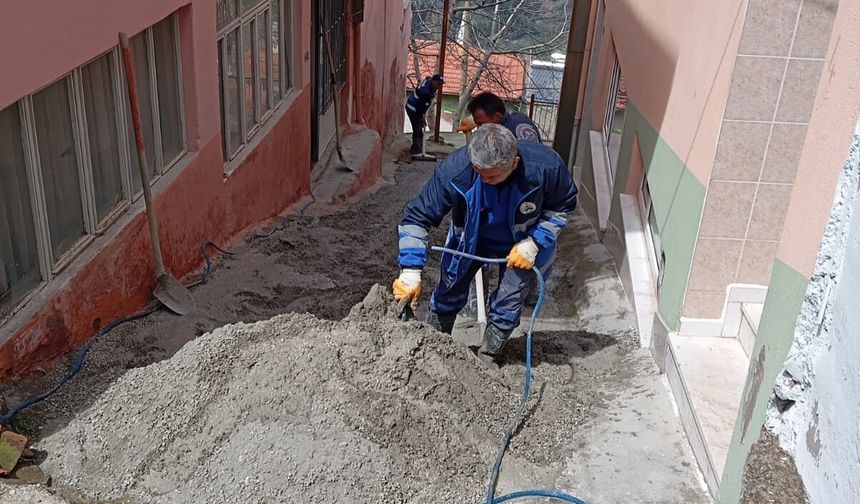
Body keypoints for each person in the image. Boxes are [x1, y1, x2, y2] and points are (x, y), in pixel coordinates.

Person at [392, 124, 578, 363]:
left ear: (514, 163)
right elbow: (416, 218)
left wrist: (535, 242)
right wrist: (410, 271)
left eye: (491, 176)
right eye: (478, 172)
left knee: (510, 297)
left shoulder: (546, 167)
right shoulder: (456, 169)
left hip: (522, 244)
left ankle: (489, 354)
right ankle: (433, 345)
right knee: (450, 286)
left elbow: (563, 207)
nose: (483, 179)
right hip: (470, 237)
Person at [467, 92, 542, 143]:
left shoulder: (518, 130)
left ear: (497, 116)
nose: (479, 128)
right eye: (477, 124)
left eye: (481, 124)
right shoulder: (499, 128)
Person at [406, 74, 445, 154]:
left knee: (419, 127)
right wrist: (422, 117)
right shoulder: (425, 92)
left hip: (417, 108)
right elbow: (420, 107)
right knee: (418, 128)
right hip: (413, 108)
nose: (439, 86)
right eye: (438, 84)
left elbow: (428, 77)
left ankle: (418, 148)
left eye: (441, 84)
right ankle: (417, 150)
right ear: (433, 82)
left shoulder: (430, 83)